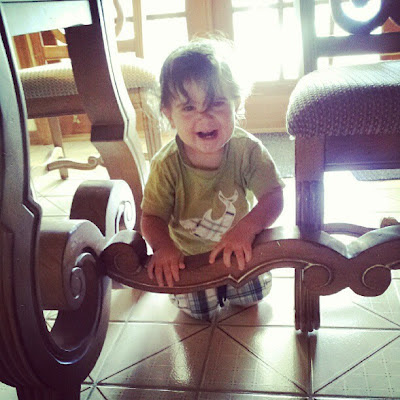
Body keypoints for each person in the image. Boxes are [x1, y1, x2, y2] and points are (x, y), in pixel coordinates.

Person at [140, 37, 285, 320]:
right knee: (197, 313)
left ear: (236, 104)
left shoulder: (248, 150)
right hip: (189, 258)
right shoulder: (166, 164)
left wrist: (247, 229)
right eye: (189, 108)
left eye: (216, 103)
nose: (204, 117)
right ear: (169, 115)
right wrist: (164, 248)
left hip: (240, 249)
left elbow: (274, 196)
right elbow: (152, 217)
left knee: (252, 297)